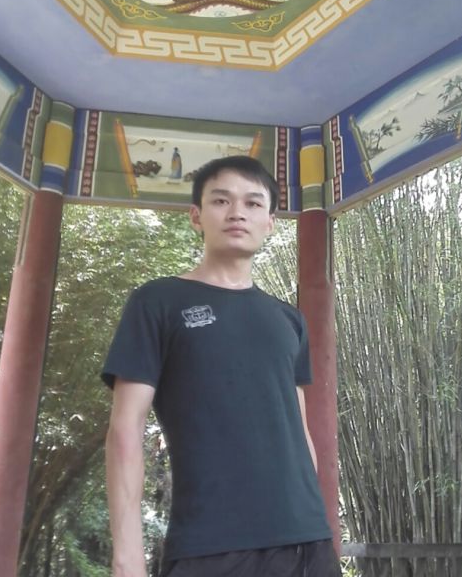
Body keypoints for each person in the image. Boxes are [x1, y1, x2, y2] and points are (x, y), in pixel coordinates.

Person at [102, 155, 341, 577]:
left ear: (270, 222)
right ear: (196, 216)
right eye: (221, 200)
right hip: (211, 546)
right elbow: (126, 430)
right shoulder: (157, 302)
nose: (237, 213)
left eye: (253, 203)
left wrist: (316, 520)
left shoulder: (289, 319)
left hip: (307, 547)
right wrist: (127, 556)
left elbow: (300, 430)